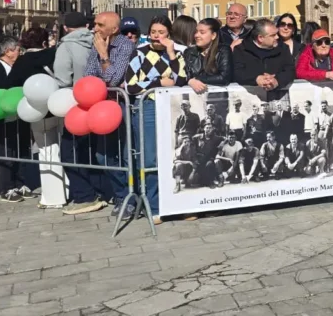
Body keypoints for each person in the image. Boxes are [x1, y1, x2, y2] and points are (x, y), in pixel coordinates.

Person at [71, 12, 135, 218]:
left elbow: (114, 80)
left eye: (100, 25)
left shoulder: (125, 46)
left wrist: (104, 56)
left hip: (122, 106)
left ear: (114, 29)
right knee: (102, 155)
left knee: (126, 155)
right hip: (102, 109)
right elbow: (89, 76)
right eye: (95, 24)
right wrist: (101, 58)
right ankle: (121, 194)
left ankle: (129, 200)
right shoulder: (96, 45)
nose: (95, 28)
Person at [124, 15, 187, 224]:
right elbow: (131, 85)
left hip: (172, 108)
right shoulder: (139, 53)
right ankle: (155, 205)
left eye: (161, 32)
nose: (157, 36)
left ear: (169, 34)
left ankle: (178, 203)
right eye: (153, 32)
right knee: (150, 158)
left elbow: (181, 79)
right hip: (148, 108)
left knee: (174, 156)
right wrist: (157, 81)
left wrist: (170, 54)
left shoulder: (177, 54)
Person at [6, 27, 65, 208]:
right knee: (63, 149)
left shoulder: (22, 61)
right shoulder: (55, 54)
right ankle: (68, 187)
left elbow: (12, 84)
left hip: (37, 111)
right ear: (44, 41)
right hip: (60, 105)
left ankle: (53, 196)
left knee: (46, 151)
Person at [0, 36, 31, 202]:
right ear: (7, 51)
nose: (19, 52)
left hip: (21, 112)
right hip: (5, 113)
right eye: (17, 49)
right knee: (7, 149)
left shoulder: (19, 65)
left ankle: (21, 182)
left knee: (23, 147)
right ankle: (7, 187)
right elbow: (0, 86)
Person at [232, 19, 296, 94]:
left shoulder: (283, 48)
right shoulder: (241, 50)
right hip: (249, 96)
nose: (277, 37)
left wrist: (277, 80)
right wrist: (257, 79)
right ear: (260, 38)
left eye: (277, 34)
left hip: (277, 94)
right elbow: (237, 72)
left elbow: (290, 70)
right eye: (273, 35)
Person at [183, 18, 233, 93]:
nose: (197, 35)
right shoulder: (189, 52)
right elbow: (184, 74)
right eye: (196, 32)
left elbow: (224, 77)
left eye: (202, 33)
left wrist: (196, 79)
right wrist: (189, 80)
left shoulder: (223, 50)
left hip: (217, 96)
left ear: (213, 35)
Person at [54, 11, 94, 87]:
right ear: (87, 26)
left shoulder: (65, 46)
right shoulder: (99, 42)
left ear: (65, 28)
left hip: (79, 94)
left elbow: (63, 80)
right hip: (104, 92)